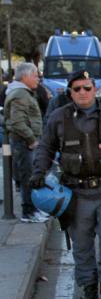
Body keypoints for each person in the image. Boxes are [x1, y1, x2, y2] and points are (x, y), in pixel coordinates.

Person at [31, 71, 101, 299]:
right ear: (70, 92)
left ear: (95, 89)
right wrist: (38, 173)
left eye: (87, 88)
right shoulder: (59, 118)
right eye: (77, 88)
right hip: (77, 193)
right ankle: (88, 286)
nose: (82, 92)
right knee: (81, 244)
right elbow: (45, 149)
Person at [4, 63, 48, 223]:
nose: (38, 78)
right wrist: (32, 139)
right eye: (35, 75)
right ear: (25, 77)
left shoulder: (24, 93)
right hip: (24, 143)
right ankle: (28, 212)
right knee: (27, 177)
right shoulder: (20, 94)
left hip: (26, 142)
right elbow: (17, 122)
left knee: (30, 176)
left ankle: (34, 209)